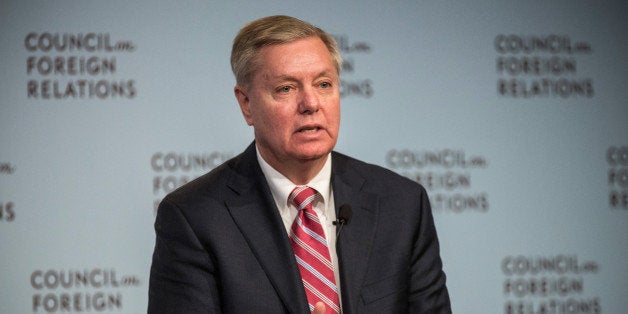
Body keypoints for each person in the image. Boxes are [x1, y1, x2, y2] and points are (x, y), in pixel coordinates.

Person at [148, 15, 451, 313]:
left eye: (323, 84)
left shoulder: (401, 203)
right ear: (246, 104)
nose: (311, 104)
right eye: (286, 89)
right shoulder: (194, 217)